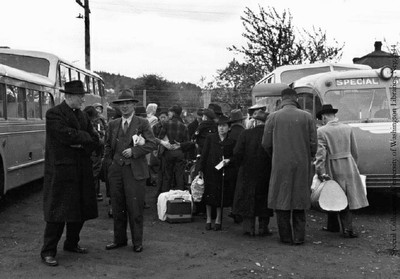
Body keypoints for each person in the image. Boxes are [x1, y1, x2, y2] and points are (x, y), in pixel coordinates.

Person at [40, 80, 99, 267]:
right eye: (80, 96)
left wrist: (80, 140)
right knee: (57, 213)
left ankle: (71, 244)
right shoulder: (54, 114)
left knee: (80, 211)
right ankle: (48, 251)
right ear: (69, 96)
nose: (83, 99)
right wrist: (83, 139)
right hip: (61, 172)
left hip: (80, 170)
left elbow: (94, 139)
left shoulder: (82, 116)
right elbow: (65, 135)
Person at [262, 88, 317, 245]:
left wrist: (275, 155)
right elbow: (314, 143)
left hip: (280, 163)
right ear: (295, 99)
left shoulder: (273, 117)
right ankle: (299, 237)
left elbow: (265, 143)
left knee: (282, 198)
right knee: (299, 198)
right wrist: (309, 155)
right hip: (301, 163)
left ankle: (285, 237)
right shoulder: (307, 117)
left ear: (282, 99)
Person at [104, 89, 157, 253]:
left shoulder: (142, 123)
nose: (125, 106)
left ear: (133, 105)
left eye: (128, 103)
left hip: (135, 172)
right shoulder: (113, 124)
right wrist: (110, 163)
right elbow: (107, 146)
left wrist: (134, 152)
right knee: (117, 206)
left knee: (135, 208)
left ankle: (137, 242)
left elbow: (152, 144)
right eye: (122, 104)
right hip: (116, 171)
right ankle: (119, 240)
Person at [315, 104, 369, 238]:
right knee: (348, 196)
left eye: (321, 118)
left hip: (332, 164)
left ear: (324, 116)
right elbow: (354, 151)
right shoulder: (347, 128)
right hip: (349, 164)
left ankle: (340, 228)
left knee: (333, 194)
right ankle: (343, 227)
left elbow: (320, 155)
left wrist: (320, 171)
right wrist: (353, 165)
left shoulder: (321, 131)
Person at [233, 110, 273, 236]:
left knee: (247, 198)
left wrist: (240, 165)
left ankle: (248, 228)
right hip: (265, 171)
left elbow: (237, 152)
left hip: (247, 171)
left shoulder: (246, 134)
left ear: (254, 121)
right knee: (264, 198)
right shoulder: (270, 135)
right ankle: (263, 227)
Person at [199, 115, 237, 231]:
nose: (221, 128)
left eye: (224, 126)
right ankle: (209, 219)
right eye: (220, 126)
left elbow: (234, 156)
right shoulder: (210, 138)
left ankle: (218, 219)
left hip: (223, 172)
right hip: (210, 170)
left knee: (221, 196)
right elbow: (204, 154)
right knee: (208, 195)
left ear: (229, 128)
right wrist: (201, 169)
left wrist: (229, 161)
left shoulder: (232, 141)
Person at [157, 104, 189, 192]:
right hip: (179, 152)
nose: (168, 114)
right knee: (179, 177)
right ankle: (180, 198)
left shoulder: (167, 123)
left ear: (173, 113)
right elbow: (187, 142)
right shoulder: (184, 126)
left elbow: (159, 137)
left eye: (169, 112)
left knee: (167, 177)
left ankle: (165, 197)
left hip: (168, 152)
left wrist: (165, 143)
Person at [83, 106, 106, 202]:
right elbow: (99, 137)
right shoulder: (96, 122)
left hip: (86, 151)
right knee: (95, 172)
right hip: (95, 151)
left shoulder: (82, 122)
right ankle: (95, 193)